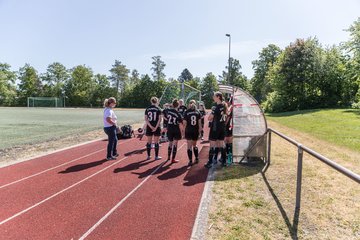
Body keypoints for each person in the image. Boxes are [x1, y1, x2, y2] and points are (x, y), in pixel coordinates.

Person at [205, 92, 227, 168]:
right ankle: (224, 161)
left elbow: (209, 118)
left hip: (215, 128)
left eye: (214, 96)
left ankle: (210, 162)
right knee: (222, 144)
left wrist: (211, 115)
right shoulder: (224, 106)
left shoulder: (216, 107)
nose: (213, 97)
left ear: (218, 97)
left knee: (212, 145)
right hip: (222, 128)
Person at [183, 100, 202, 166]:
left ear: (189, 104)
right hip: (195, 131)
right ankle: (196, 158)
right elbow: (200, 124)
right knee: (195, 145)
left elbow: (184, 123)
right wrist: (200, 132)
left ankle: (190, 160)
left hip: (188, 131)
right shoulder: (198, 112)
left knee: (189, 147)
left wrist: (183, 132)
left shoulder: (186, 112)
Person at [166, 99, 183, 163]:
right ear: (178, 106)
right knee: (175, 144)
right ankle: (173, 159)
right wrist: (182, 132)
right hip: (176, 129)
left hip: (169, 128)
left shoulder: (168, 111)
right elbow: (180, 124)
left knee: (170, 143)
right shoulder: (178, 114)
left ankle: (168, 157)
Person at [224, 97, 233, 164]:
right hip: (231, 126)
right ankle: (229, 155)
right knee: (229, 141)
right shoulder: (232, 107)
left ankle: (229, 156)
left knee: (227, 141)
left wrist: (224, 124)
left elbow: (228, 116)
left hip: (229, 126)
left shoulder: (230, 108)